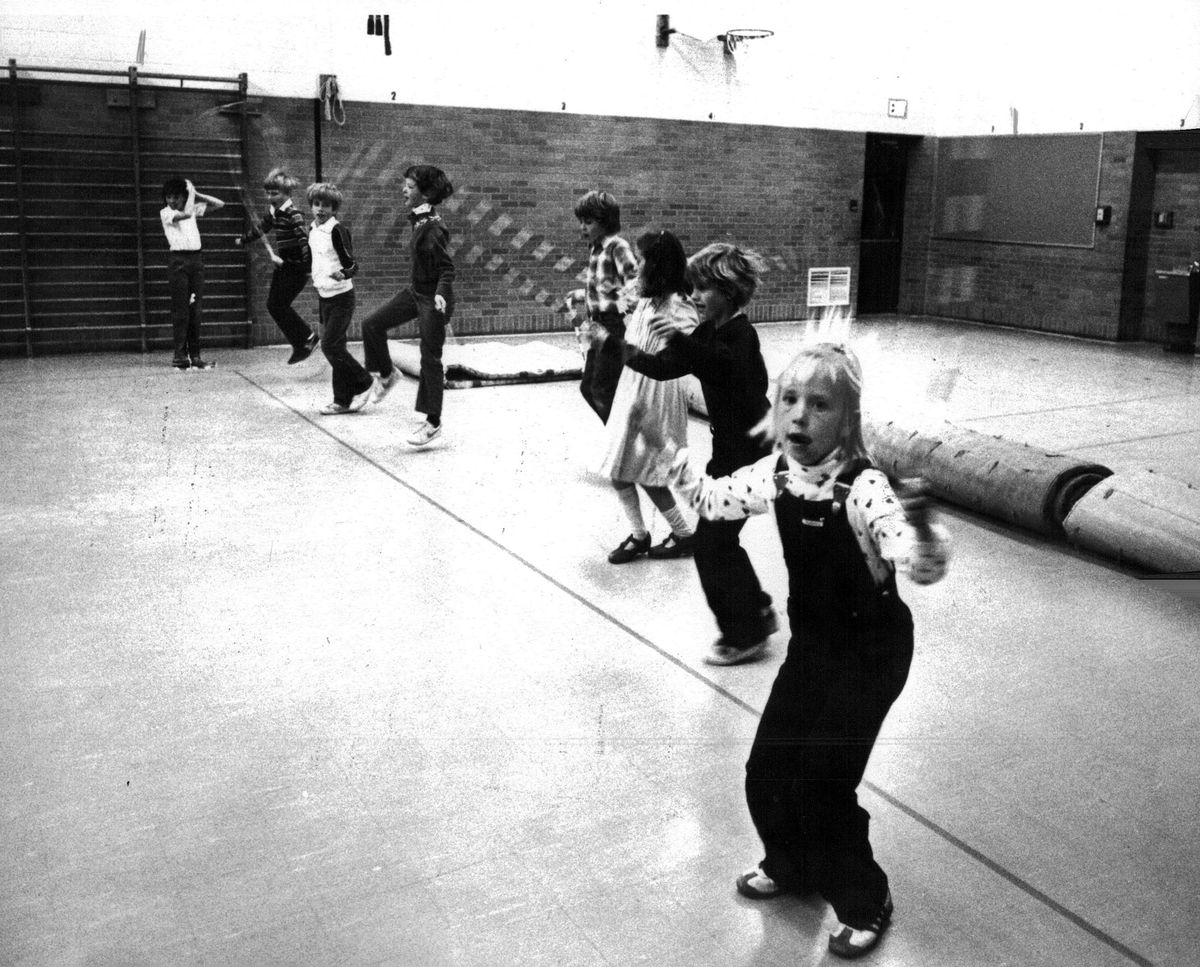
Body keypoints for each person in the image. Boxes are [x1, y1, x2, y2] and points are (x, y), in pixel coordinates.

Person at [641, 340, 950, 960]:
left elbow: (918, 565)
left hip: (871, 654)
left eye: (820, 404)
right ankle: (792, 864)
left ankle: (866, 899)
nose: (800, 416)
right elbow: (711, 501)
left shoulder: (864, 490)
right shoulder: (775, 476)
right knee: (766, 772)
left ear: (849, 419)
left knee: (823, 785)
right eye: (789, 401)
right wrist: (677, 465)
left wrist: (922, 530)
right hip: (814, 648)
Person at [610, 243, 776, 664]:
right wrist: (621, 351)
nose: (695, 296)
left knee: (712, 544)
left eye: (703, 289)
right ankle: (756, 609)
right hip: (730, 450)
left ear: (730, 291)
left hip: (753, 451)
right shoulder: (708, 331)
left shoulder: (740, 335)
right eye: (694, 287)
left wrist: (682, 341)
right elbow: (668, 366)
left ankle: (746, 634)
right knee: (719, 541)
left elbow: (723, 365)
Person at [591, 230, 698, 564]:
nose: (637, 267)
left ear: (660, 266)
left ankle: (683, 535)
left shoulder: (679, 307)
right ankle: (640, 535)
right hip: (633, 388)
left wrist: (611, 343)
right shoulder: (648, 297)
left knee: (648, 472)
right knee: (618, 468)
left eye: (642, 261)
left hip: (656, 394)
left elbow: (666, 364)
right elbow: (631, 320)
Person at [361, 164, 456, 448]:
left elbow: (447, 269)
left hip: (434, 299)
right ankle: (388, 375)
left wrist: (440, 294)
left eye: (409, 187)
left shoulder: (434, 228)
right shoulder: (420, 219)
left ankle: (433, 423)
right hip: (416, 292)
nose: (403, 189)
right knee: (372, 324)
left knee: (430, 359)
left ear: (425, 193)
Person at [565, 190, 638, 424]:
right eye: (580, 222)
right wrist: (581, 294)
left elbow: (634, 285)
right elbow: (603, 285)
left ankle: (622, 435)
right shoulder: (595, 248)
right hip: (596, 325)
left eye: (588, 222)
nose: (582, 227)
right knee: (588, 388)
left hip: (613, 326)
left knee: (602, 388)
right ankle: (618, 432)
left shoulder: (618, 247)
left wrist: (622, 309)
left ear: (605, 222)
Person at [305, 183, 378, 415]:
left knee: (329, 345)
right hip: (324, 296)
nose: (320, 209)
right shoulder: (313, 230)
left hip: (342, 297)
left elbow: (353, 264)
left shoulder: (337, 230)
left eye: (326, 205)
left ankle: (365, 381)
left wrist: (343, 273)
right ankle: (342, 401)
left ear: (334, 208)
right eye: (317, 204)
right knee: (338, 347)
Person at [234, 168, 318, 365]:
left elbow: (306, 242)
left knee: (278, 305)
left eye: (275, 193)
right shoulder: (275, 213)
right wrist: (243, 239)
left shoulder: (293, 214)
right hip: (286, 266)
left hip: (297, 267)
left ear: (287, 194)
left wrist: (300, 266)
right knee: (274, 305)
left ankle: (308, 339)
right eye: (269, 193)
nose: (270, 196)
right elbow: (261, 228)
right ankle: (301, 343)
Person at [159, 176, 224, 370]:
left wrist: (195, 194)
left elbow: (220, 204)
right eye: (169, 197)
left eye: (176, 197)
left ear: (184, 197)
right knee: (181, 311)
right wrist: (189, 198)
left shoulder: (191, 208)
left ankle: (195, 357)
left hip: (196, 261)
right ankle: (180, 356)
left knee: (195, 310)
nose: (172, 201)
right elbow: (185, 214)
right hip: (178, 262)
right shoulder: (166, 213)